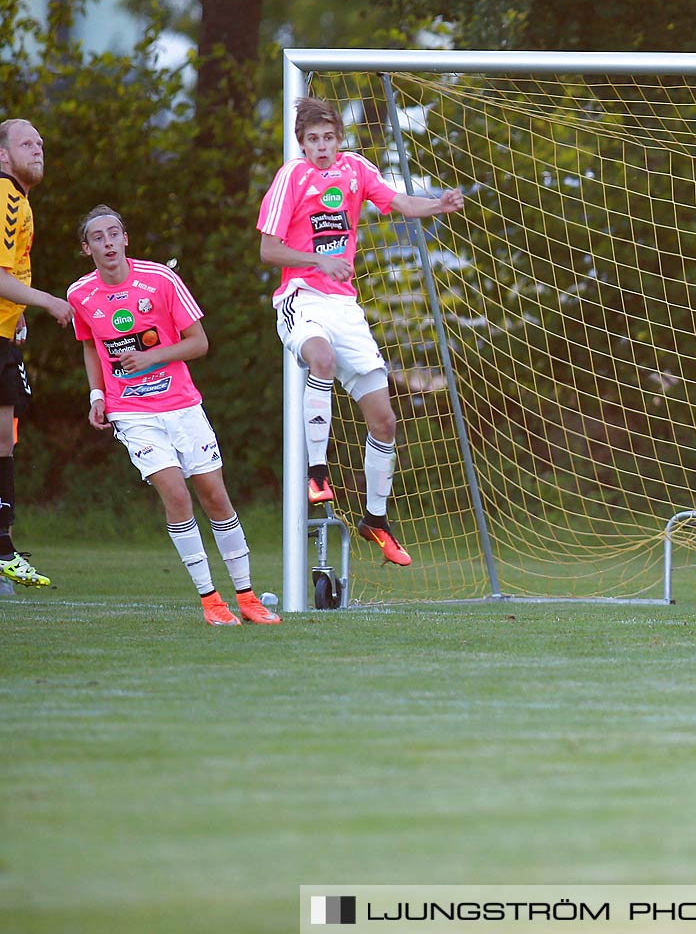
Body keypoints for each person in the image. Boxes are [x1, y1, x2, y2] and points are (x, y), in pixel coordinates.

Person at [256, 97, 464, 568]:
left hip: (345, 308)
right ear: (301, 142)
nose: (322, 147)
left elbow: (399, 202)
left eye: (329, 138)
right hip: (302, 298)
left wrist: (439, 204)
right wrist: (317, 260)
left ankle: (376, 519)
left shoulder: (355, 169)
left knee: (385, 420)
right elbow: (269, 250)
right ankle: (317, 474)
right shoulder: (292, 176)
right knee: (321, 359)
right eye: (313, 140)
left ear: (340, 138)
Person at [68, 207, 279, 625]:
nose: (107, 243)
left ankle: (247, 595)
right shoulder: (80, 295)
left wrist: (148, 357)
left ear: (126, 239)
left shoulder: (161, 279)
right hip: (132, 413)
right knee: (176, 495)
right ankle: (210, 601)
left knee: (215, 497)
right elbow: (90, 343)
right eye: (98, 237)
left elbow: (199, 343)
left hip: (182, 405)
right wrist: (97, 394)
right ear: (86, 247)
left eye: (114, 234)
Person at [0, 118, 72, 589]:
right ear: (3, 156)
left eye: (41, 143)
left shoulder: (19, 199)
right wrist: (47, 302)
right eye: (27, 143)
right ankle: (3, 550)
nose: (38, 149)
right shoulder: (6, 197)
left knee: (4, 437)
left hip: (5, 335)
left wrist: (19, 311)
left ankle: (3, 547)